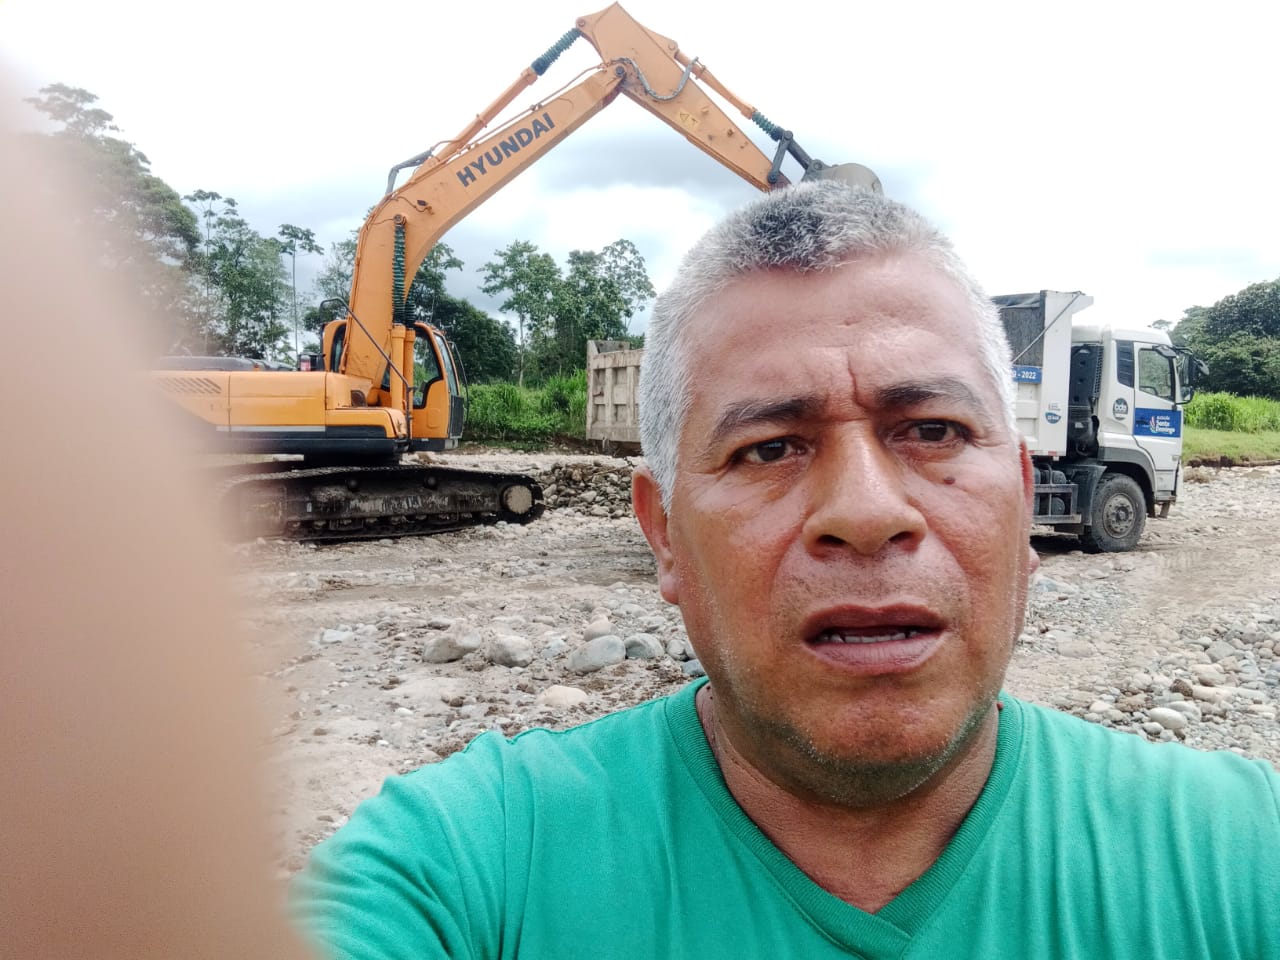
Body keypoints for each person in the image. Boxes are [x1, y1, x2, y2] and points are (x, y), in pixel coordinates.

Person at [290, 183, 1280, 958]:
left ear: (1022, 499)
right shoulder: (466, 869)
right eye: (768, 447)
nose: (866, 513)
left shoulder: (1237, 854)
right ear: (664, 535)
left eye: (932, 430)